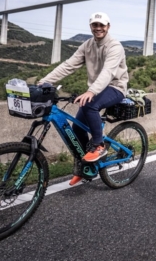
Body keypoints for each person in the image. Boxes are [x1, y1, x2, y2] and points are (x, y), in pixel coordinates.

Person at [38, 12, 128, 186]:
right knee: (77, 128)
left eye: (102, 25)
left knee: (89, 105)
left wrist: (91, 91)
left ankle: (99, 145)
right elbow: (68, 65)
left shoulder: (115, 46)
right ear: (91, 27)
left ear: (108, 27)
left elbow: (108, 72)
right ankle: (86, 166)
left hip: (115, 87)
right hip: (97, 89)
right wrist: (44, 81)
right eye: (95, 25)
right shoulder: (87, 45)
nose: (98, 28)